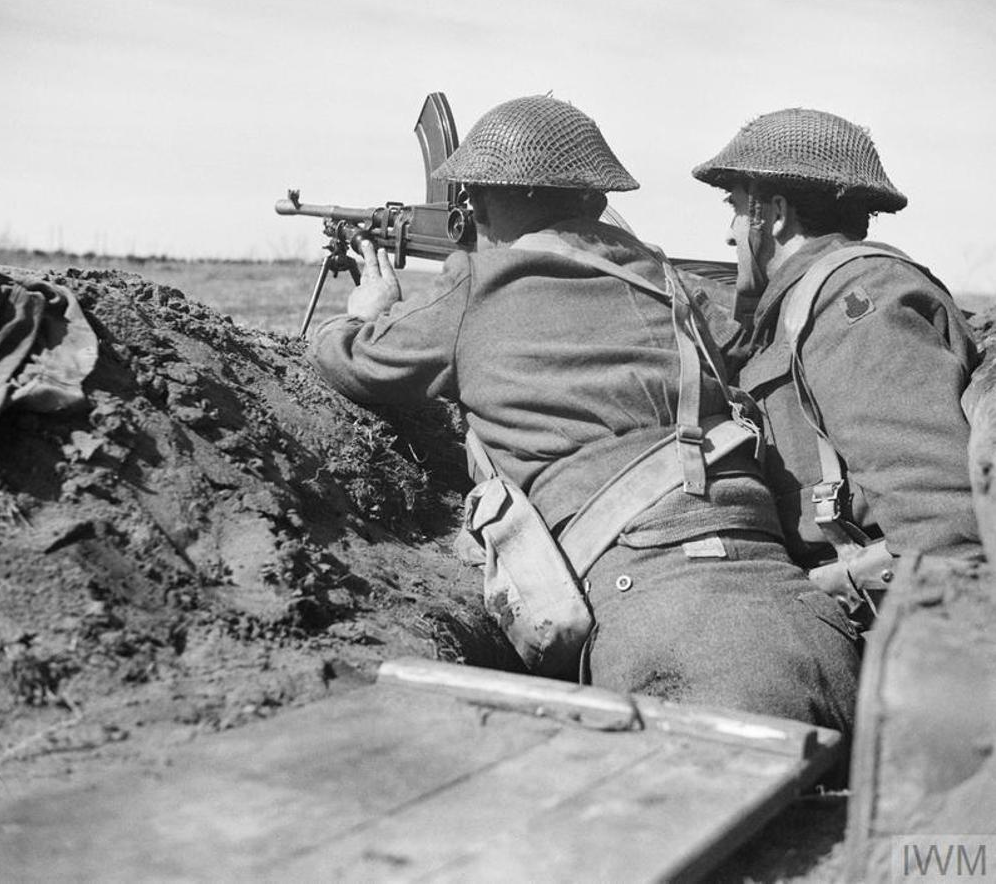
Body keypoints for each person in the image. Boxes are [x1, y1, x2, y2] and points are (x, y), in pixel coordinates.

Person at [309, 95, 859, 734]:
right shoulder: (670, 283)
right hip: (807, 616)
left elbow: (352, 363)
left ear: (477, 205)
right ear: (598, 202)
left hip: (667, 635)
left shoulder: (478, 285)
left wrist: (364, 311)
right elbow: (745, 349)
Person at [691, 108, 982, 607]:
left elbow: (940, 523)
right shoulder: (798, 308)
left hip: (898, 619)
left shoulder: (855, 298)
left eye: (736, 208)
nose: (730, 233)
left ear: (774, 215)